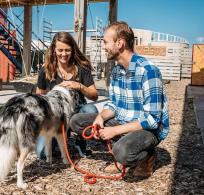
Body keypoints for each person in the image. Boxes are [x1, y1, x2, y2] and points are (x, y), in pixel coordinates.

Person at [70, 21, 169, 177]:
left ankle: (147, 157)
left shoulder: (148, 71)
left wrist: (114, 130)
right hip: (124, 121)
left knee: (122, 152)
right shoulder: (116, 71)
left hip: (148, 129)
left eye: (105, 42)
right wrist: (100, 117)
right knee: (77, 121)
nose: (103, 47)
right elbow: (114, 105)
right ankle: (121, 145)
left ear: (120, 43)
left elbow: (152, 120)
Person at [36, 32, 98, 157]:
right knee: (41, 154)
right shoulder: (46, 70)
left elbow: (94, 95)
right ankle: (60, 136)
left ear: (73, 50)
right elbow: (39, 97)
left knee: (91, 109)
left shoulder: (82, 68)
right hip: (56, 115)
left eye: (67, 50)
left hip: (76, 111)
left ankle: (80, 142)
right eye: (60, 50)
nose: (64, 54)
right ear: (54, 49)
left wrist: (79, 86)